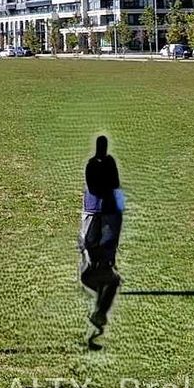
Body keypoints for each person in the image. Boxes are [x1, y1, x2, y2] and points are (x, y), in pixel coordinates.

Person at [80, 135, 123, 338]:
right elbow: (112, 185)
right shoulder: (103, 165)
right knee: (105, 275)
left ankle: (99, 312)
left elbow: (98, 186)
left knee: (101, 272)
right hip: (103, 212)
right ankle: (100, 312)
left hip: (99, 212)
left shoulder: (93, 165)